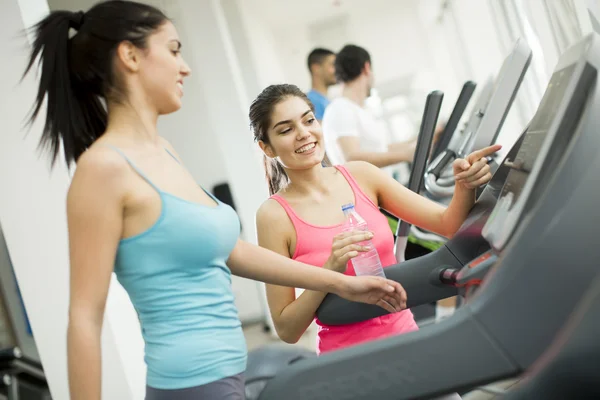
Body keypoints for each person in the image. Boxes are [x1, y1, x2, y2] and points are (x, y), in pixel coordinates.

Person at [21, 2, 408, 399]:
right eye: (173, 50)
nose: (185, 66)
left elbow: (232, 250)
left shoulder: (163, 151)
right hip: (191, 385)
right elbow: (85, 317)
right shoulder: (103, 169)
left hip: (227, 376)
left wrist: (340, 283)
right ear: (130, 55)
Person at [251, 83, 500, 355]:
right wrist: (330, 270)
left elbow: (447, 224)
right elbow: (287, 330)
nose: (303, 134)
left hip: (406, 337)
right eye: (286, 130)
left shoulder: (362, 175)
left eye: (308, 120)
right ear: (268, 148)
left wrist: (464, 186)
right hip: (348, 358)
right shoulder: (274, 216)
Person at [322, 44, 421, 170]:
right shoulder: (340, 108)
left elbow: (383, 149)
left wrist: (419, 140)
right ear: (366, 68)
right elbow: (351, 157)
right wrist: (404, 155)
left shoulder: (360, 110)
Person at [305, 48, 337, 122]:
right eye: (332, 65)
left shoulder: (326, 101)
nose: (337, 70)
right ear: (316, 68)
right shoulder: (311, 102)